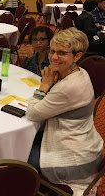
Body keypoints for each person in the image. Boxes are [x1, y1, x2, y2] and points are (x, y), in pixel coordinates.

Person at [26, 27, 103, 196]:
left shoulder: (68, 87)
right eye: (52, 51)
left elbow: (32, 113)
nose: (53, 57)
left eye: (62, 53)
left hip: (73, 160)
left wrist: (44, 86)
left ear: (77, 56)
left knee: (17, 153)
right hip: (83, 145)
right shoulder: (80, 72)